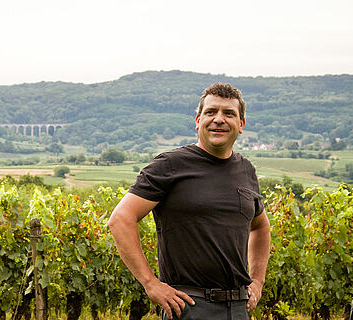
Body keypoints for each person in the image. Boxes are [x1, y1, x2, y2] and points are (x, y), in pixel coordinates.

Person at [108, 83, 271, 319]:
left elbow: (260, 226)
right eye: (211, 112)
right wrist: (150, 283)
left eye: (229, 113)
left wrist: (257, 281)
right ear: (198, 120)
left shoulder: (246, 170)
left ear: (241, 124)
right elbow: (121, 219)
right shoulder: (169, 165)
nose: (219, 119)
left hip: (238, 308)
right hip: (189, 307)